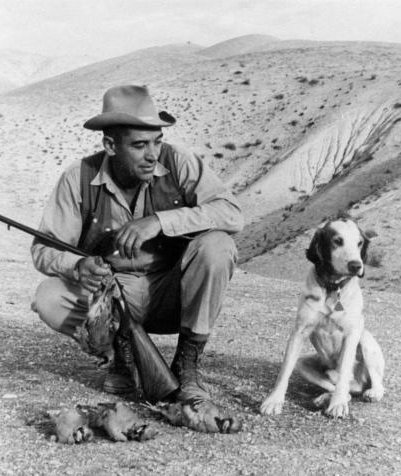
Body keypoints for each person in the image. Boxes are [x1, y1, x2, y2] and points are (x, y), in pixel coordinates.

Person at [31, 85, 243, 402]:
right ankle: (121, 360)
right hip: (114, 298)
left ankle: (187, 366)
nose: (152, 155)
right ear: (110, 145)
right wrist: (77, 266)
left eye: (157, 142)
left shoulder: (180, 162)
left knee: (218, 246)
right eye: (140, 145)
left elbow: (232, 214)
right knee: (49, 297)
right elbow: (43, 250)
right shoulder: (78, 177)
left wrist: (161, 221)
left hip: (175, 294)